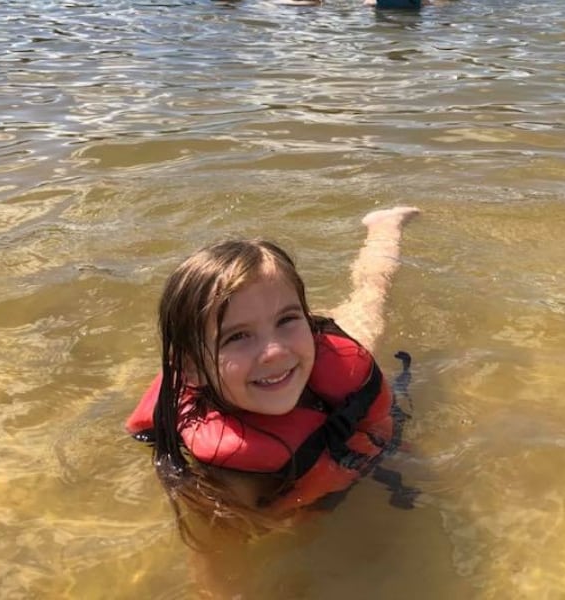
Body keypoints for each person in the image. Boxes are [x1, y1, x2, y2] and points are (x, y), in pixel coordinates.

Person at [125, 207, 421, 545]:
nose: (276, 350)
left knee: (372, 296)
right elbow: (217, 559)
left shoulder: (331, 359)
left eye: (287, 318)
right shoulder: (230, 468)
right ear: (192, 369)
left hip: (309, 365)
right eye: (237, 336)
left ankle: (384, 226)